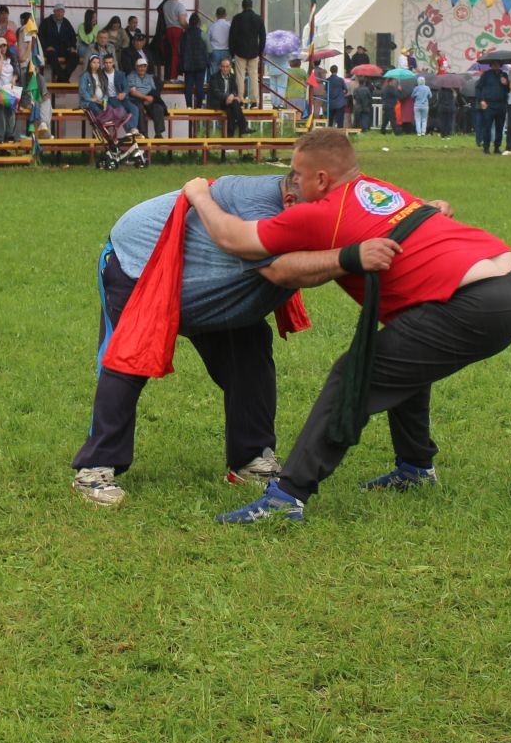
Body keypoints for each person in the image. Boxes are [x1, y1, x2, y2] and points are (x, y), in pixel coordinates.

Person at [182, 130, 511, 524]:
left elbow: (234, 238)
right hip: (508, 280)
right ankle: (415, 468)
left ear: (321, 180)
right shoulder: (375, 188)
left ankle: (287, 497)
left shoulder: (319, 213)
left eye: (297, 173)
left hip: (475, 304)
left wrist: (200, 196)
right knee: (405, 357)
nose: (291, 182)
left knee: (354, 373)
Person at [73, 173, 349, 505]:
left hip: (215, 283)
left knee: (249, 350)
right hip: (140, 261)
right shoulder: (256, 208)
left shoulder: (314, 199)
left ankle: (250, 459)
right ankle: (94, 468)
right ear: (292, 201)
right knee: (130, 356)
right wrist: (355, 256)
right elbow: (284, 271)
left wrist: (418, 216)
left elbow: (376, 214)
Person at [228, 0, 265, 102]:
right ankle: (254, 101)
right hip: (254, 51)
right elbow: (263, 37)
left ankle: (240, 99)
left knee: (240, 76)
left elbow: (232, 36)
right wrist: (260, 51)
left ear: (242, 6)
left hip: (239, 51)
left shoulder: (237, 18)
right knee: (253, 76)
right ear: (252, 6)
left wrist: (232, 52)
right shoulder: (258, 19)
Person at [123, 55, 167, 138]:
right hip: (136, 99)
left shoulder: (149, 77)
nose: (142, 68)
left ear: (146, 67)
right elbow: (133, 92)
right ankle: (143, 134)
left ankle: (158, 133)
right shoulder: (131, 76)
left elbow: (154, 90)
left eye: (144, 66)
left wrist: (151, 98)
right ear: (136, 67)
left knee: (158, 108)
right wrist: (145, 98)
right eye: (140, 66)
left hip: (148, 98)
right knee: (139, 108)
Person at [38, 6, 78, 84]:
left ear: (64, 13)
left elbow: (73, 36)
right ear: (54, 12)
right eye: (58, 11)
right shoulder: (46, 22)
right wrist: (46, 47)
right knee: (51, 55)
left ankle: (62, 78)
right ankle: (64, 78)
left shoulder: (66, 22)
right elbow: (40, 36)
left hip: (64, 49)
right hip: (50, 49)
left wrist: (72, 47)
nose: (60, 13)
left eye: (61, 11)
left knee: (75, 56)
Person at [179, 8, 210, 105]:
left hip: (188, 64)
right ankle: (199, 106)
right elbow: (209, 49)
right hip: (201, 65)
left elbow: (180, 50)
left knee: (188, 86)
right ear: (198, 23)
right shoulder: (203, 34)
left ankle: (188, 106)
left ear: (189, 22)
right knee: (199, 87)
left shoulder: (184, 35)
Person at [206, 6, 232, 87]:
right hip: (227, 51)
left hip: (215, 51)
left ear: (216, 15)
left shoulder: (212, 26)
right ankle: (225, 89)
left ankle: (214, 88)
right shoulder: (229, 26)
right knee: (226, 72)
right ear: (226, 15)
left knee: (214, 72)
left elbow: (208, 39)